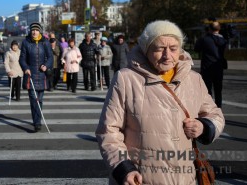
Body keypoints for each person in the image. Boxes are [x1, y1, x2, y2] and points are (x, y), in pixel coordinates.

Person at [96, 20, 225, 185]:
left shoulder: (194, 79)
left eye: (173, 49)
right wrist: (124, 168)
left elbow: (215, 114)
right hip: (141, 178)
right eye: (159, 48)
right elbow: (108, 131)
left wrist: (204, 126)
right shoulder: (126, 79)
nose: (167, 55)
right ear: (146, 49)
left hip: (185, 178)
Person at [19, 22, 53, 132]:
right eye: (33, 30)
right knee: (34, 100)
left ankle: (37, 119)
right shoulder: (26, 42)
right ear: (30, 31)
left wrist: (46, 65)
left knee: (40, 99)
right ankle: (37, 123)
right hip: (31, 75)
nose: (34, 32)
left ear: (40, 31)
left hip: (42, 75)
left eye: (36, 30)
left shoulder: (45, 43)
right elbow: (22, 59)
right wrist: (25, 68)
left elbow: (50, 58)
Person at [194, 21, 227, 107]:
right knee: (218, 90)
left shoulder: (205, 39)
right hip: (219, 67)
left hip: (207, 67)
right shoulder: (223, 40)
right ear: (219, 29)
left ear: (209, 29)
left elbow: (196, 48)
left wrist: (205, 35)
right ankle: (218, 107)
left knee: (207, 90)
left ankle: (209, 107)